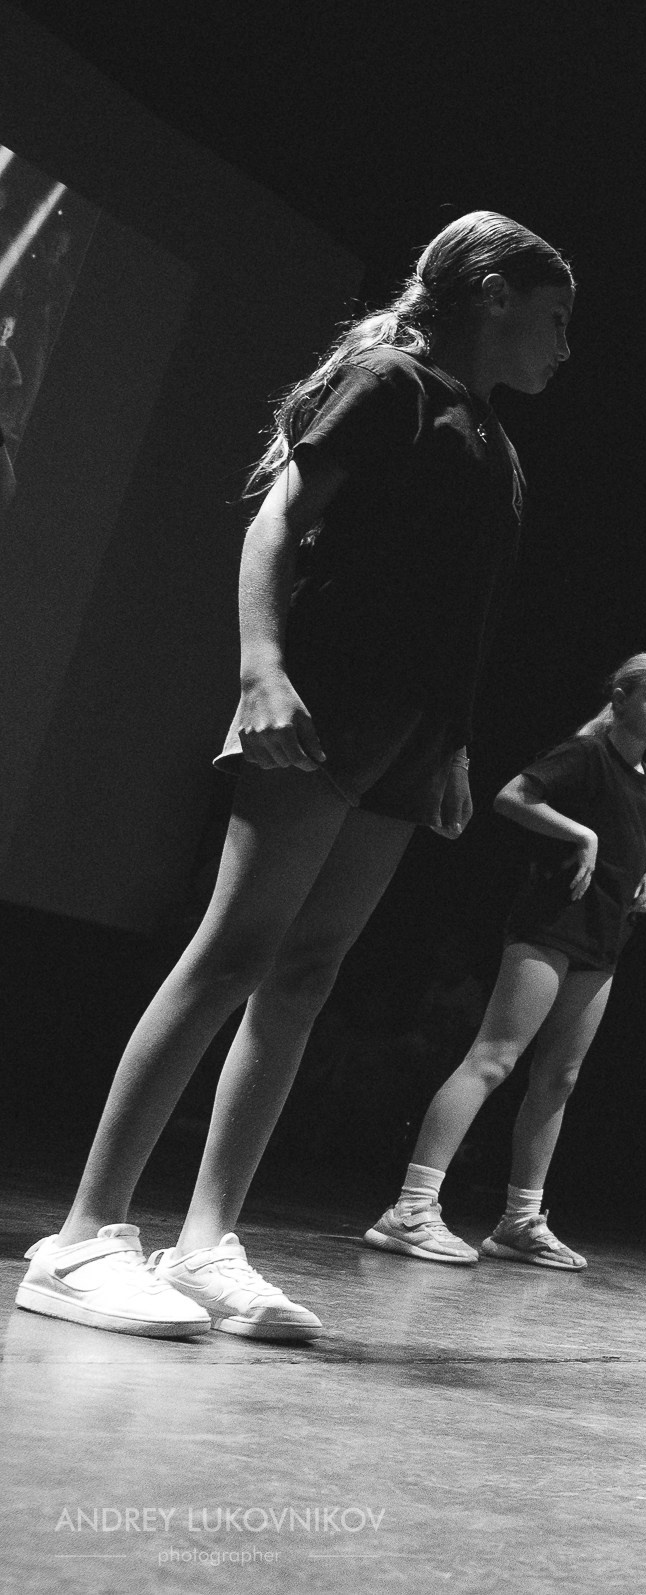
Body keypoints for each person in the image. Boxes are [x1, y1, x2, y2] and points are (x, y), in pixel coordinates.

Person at [14, 212, 572, 1343]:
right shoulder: (390, 383)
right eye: (556, 316)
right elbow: (278, 522)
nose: (567, 344)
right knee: (235, 949)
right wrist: (261, 668)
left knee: (306, 970)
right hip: (323, 701)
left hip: (409, 737)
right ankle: (81, 1237)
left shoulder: (497, 446)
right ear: (495, 295)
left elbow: (459, 614)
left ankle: (209, 1243)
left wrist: (453, 747)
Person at [364, 652, 646, 1271]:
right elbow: (512, 797)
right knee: (494, 1057)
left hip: (604, 938)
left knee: (559, 1079)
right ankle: (411, 1207)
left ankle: (519, 1221)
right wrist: (579, 835)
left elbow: (631, 838)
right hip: (552, 924)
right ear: (619, 699)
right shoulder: (585, 755)